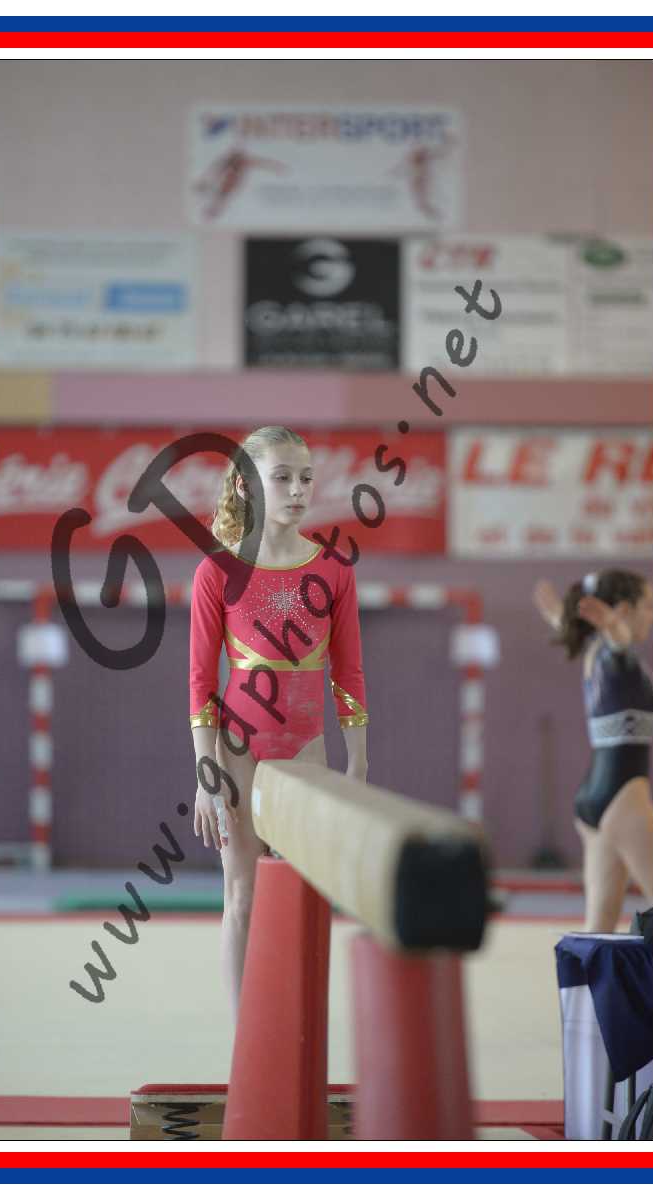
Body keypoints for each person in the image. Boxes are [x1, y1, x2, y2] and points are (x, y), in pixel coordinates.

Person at [189, 426, 369, 1012]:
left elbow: (349, 673)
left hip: (306, 750)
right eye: (282, 477)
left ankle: (293, 1027)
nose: (298, 490)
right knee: (241, 895)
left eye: (306, 478)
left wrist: (358, 765)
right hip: (238, 752)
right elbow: (200, 685)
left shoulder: (334, 570)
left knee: (303, 900)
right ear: (247, 484)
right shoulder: (218, 571)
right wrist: (205, 775)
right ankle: (245, 1038)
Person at [533, 571, 653, 932]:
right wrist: (614, 626)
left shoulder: (595, 653)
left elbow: (591, 634)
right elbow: (619, 640)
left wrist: (560, 617)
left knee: (599, 926)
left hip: (594, 799)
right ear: (624, 610)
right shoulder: (616, 653)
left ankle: (585, 975)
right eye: (649, 606)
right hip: (624, 798)